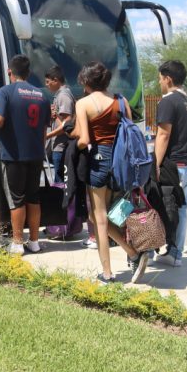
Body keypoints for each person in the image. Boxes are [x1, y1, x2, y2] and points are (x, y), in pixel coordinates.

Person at [74, 61, 149, 284]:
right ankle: (134, 252)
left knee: (99, 217)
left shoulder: (84, 103)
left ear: (87, 82)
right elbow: (129, 130)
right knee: (105, 215)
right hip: (121, 161)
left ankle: (108, 272)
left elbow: (85, 140)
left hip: (99, 160)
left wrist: (75, 145)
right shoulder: (121, 100)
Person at [0, 55, 52, 255]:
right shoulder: (42, 95)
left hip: (13, 156)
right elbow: (44, 130)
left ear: (10, 71)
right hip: (36, 155)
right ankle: (34, 242)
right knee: (33, 198)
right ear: (28, 73)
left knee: (16, 199)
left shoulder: (4, 92)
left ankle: (17, 243)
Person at [154, 60, 187, 268]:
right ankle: (174, 251)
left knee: (173, 209)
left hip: (176, 166)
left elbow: (163, 135)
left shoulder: (168, 101)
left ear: (168, 78)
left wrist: (155, 163)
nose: (159, 82)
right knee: (182, 208)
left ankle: (174, 253)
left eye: (160, 78)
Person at [44, 66, 75, 183]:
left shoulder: (63, 96)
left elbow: (66, 125)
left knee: (61, 183)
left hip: (61, 146)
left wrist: (48, 135)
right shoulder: (61, 95)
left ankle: (63, 201)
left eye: (48, 82)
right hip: (58, 146)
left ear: (56, 80)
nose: (46, 85)